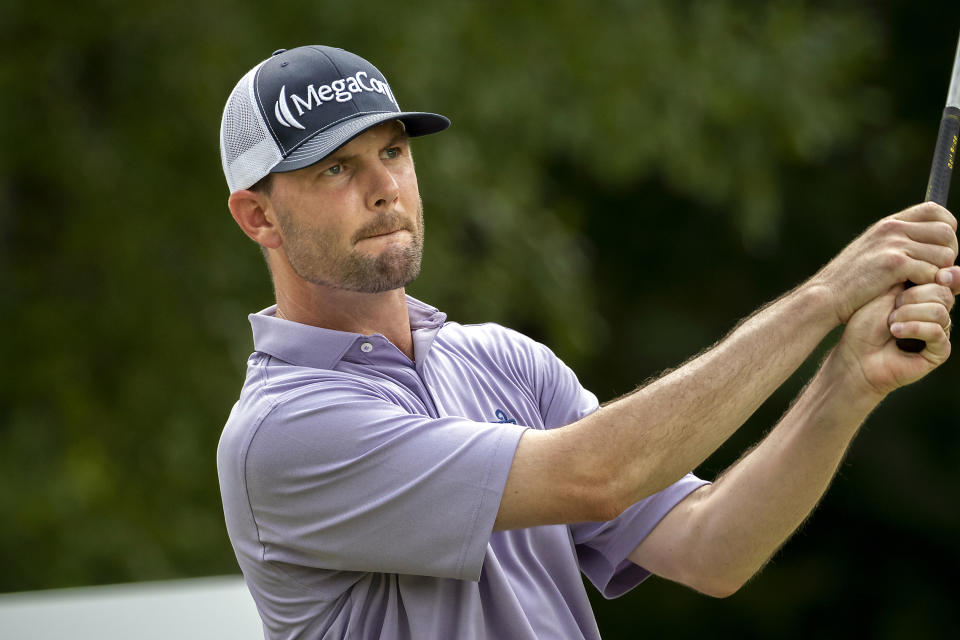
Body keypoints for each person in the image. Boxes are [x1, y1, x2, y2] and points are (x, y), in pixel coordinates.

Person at [216, 45, 959, 639]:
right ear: (259, 218)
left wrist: (847, 383)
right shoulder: (283, 431)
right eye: (337, 167)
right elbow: (598, 474)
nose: (386, 189)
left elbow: (711, 549)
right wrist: (825, 298)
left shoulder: (501, 360)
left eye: (394, 153)